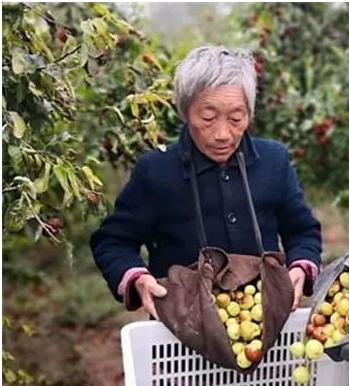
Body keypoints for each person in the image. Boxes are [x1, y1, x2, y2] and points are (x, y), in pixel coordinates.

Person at [90, 45, 322, 319]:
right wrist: (136, 277)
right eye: (208, 118)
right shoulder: (156, 172)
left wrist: (300, 267)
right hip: (182, 330)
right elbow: (113, 241)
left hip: (263, 324)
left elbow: (302, 230)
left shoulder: (273, 162)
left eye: (236, 118)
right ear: (185, 111)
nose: (223, 134)